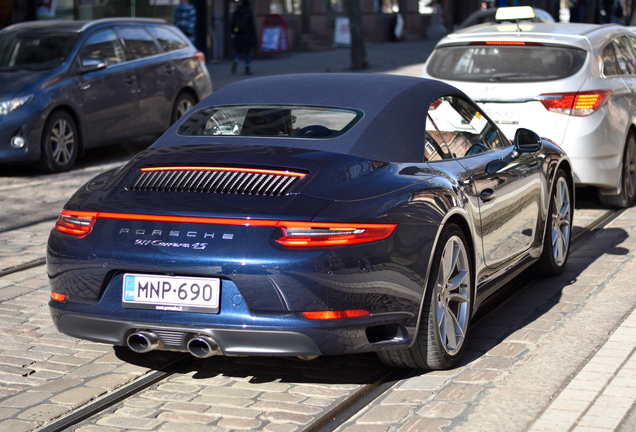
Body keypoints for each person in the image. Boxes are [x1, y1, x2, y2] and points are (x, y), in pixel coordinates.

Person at [231, 0, 257, 75]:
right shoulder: (248, 12)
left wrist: (233, 33)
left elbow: (232, 24)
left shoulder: (237, 12)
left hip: (238, 35)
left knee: (239, 51)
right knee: (248, 52)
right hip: (247, 35)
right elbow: (252, 26)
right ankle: (247, 67)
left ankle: (236, 60)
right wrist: (254, 38)